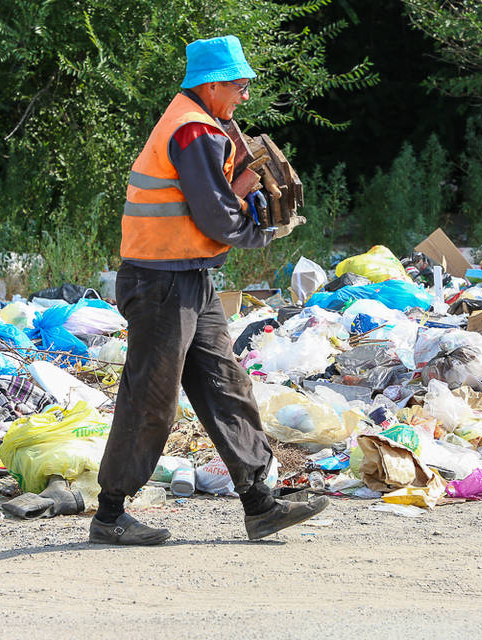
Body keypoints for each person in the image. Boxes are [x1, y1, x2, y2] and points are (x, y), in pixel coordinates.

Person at [89, 35, 325, 545]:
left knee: (225, 383)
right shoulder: (193, 129)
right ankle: (110, 515)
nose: (244, 95)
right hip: (160, 283)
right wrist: (263, 229)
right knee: (151, 399)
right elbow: (217, 215)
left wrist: (243, 199)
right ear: (212, 84)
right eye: (239, 85)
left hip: (187, 277)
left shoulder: (202, 123)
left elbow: (213, 204)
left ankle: (260, 503)